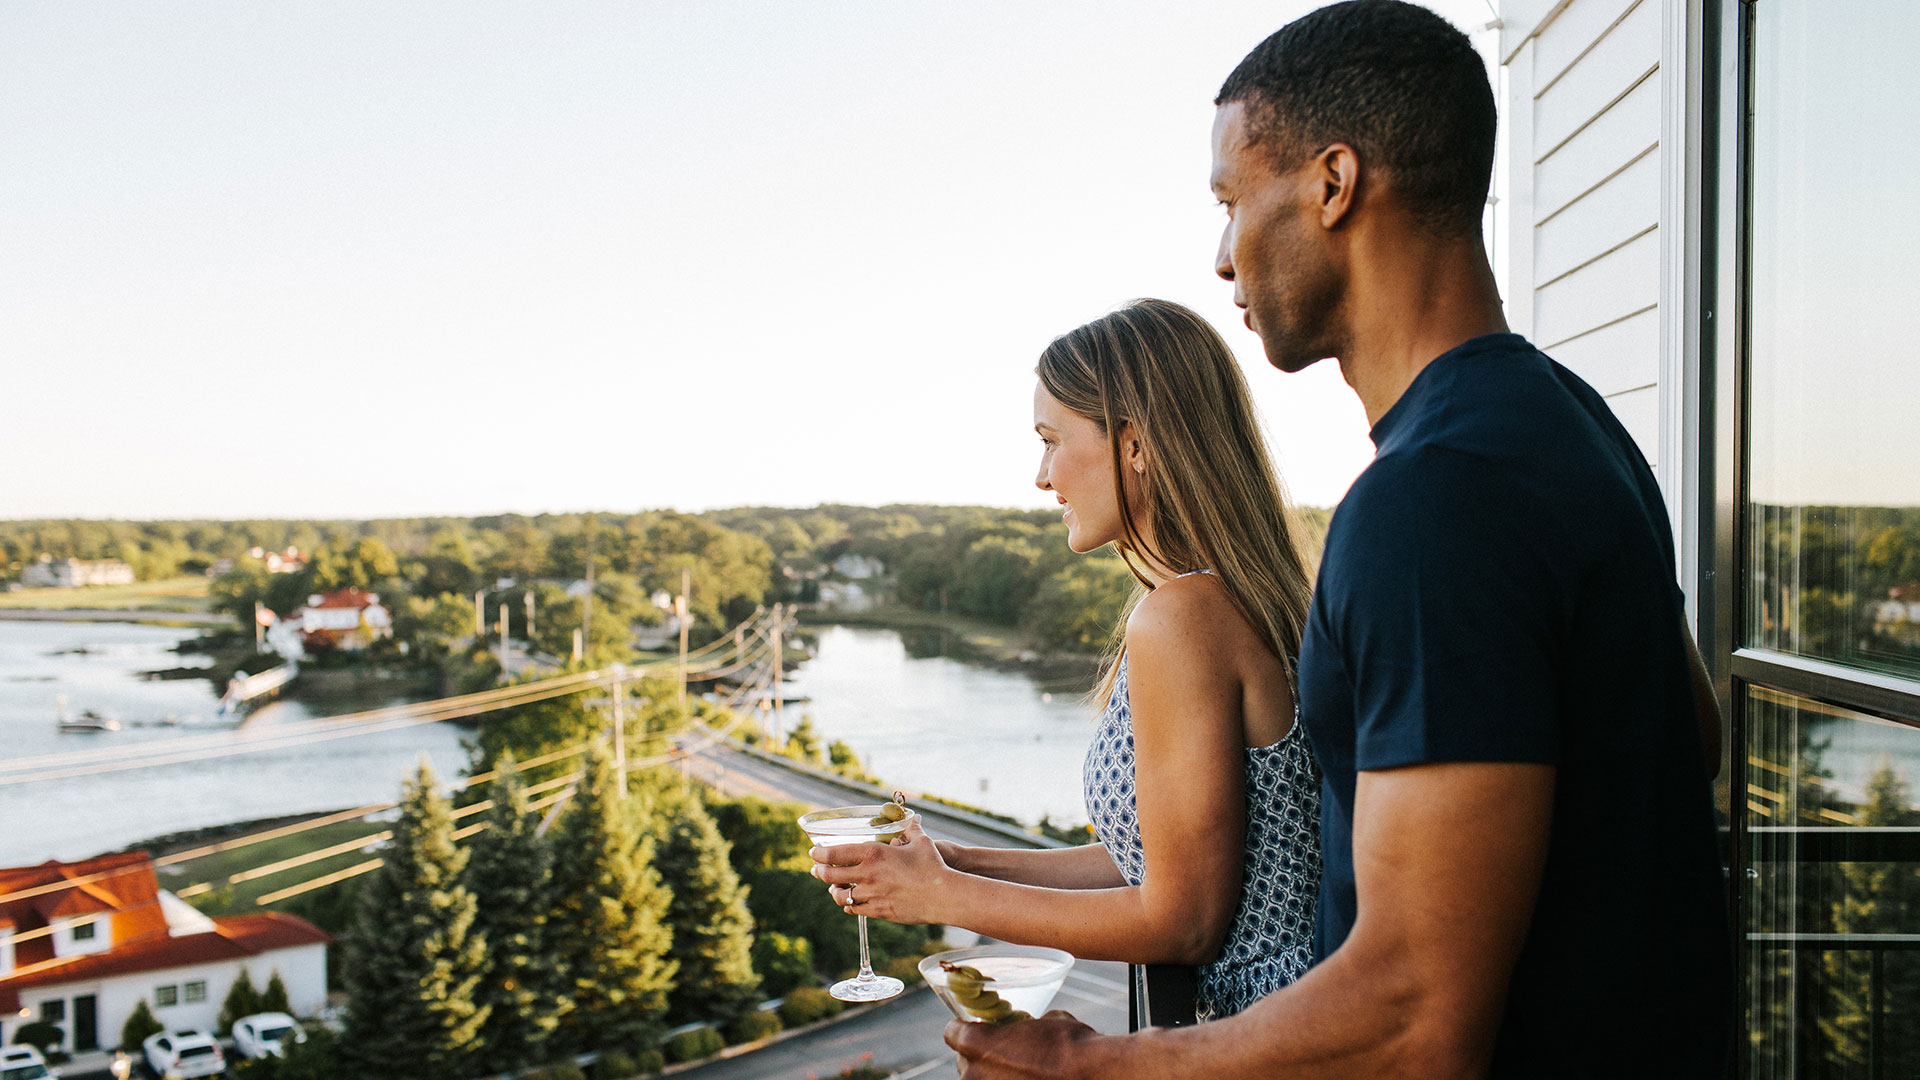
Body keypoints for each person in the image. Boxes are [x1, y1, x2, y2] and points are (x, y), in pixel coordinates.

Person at [946, 3, 1734, 1078]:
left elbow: (1416, 1019)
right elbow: (1692, 740)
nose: (1221, 258)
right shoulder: (1570, 422)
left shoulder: (1432, 503)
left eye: (1231, 202)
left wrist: (1092, 1066)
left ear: (1333, 184)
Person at [810, 297, 1322, 1020]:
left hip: (1267, 1035)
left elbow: (1185, 920)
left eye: (1052, 440)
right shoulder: (1217, 598)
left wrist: (940, 896)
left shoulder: (1183, 618)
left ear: (1135, 444)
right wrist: (954, 859)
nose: (1042, 477)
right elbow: (1143, 860)